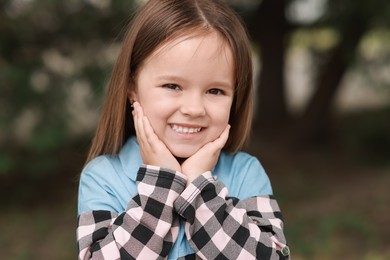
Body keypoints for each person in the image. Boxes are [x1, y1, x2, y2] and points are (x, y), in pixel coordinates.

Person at [76, 0, 290, 259]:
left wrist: (200, 190)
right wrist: (162, 186)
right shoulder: (104, 177)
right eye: (172, 86)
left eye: (215, 91)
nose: (193, 108)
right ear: (132, 86)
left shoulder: (245, 174)